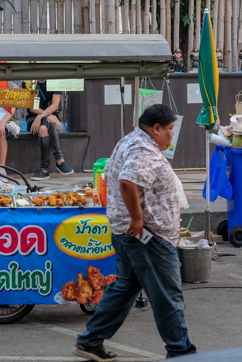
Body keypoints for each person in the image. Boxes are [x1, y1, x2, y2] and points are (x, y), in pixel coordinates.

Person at [74, 105, 196, 362]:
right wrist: (138, 219)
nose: (172, 135)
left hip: (126, 233)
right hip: (148, 238)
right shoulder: (144, 150)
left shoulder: (129, 141)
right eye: (171, 129)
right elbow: (127, 181)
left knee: (124, 289)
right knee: (167, 295)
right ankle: (181, 352)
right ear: (156, 129)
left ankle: (90, 341)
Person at [24, 80, 74, 180]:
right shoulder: (30, 82)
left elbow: (55, 105)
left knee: (43, 129)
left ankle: (44, 169)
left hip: (46, 121)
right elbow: (32, 108)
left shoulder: (54, 81)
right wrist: (46, 117)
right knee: (50, 119)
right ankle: (60, 160)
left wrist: (41, 116)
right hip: (33, 119)